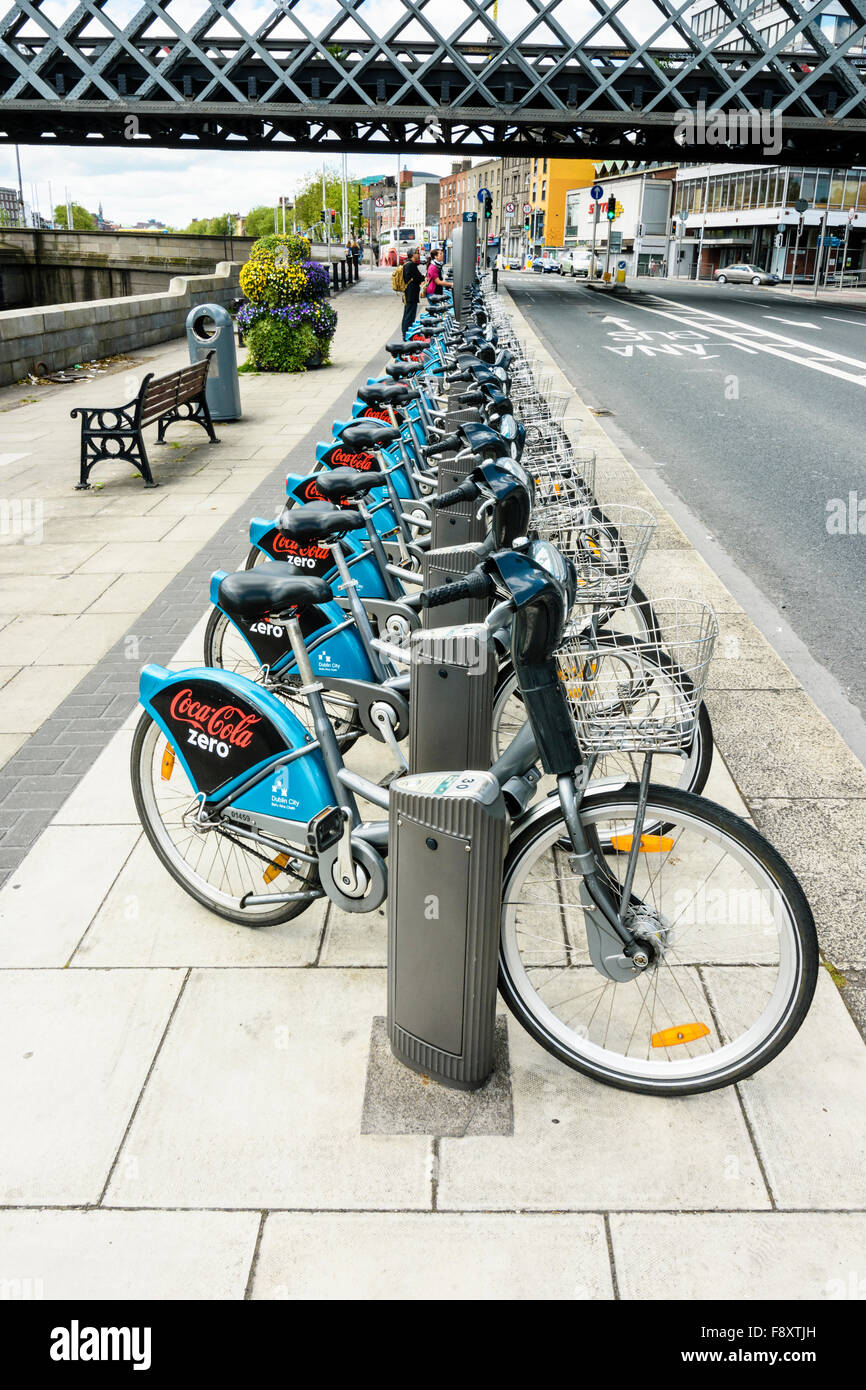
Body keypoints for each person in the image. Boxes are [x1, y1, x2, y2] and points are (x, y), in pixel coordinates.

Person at [401, 247, 424, 338]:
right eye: (417, 253)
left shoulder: (408, 264)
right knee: (410, 314)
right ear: (412, 255)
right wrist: (423, 278)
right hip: (411, 293)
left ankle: (406, 332)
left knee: (408, 313)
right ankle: (407, 334)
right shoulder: (411, 265)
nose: (418, 254)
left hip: (409, 293)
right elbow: (418, 277)